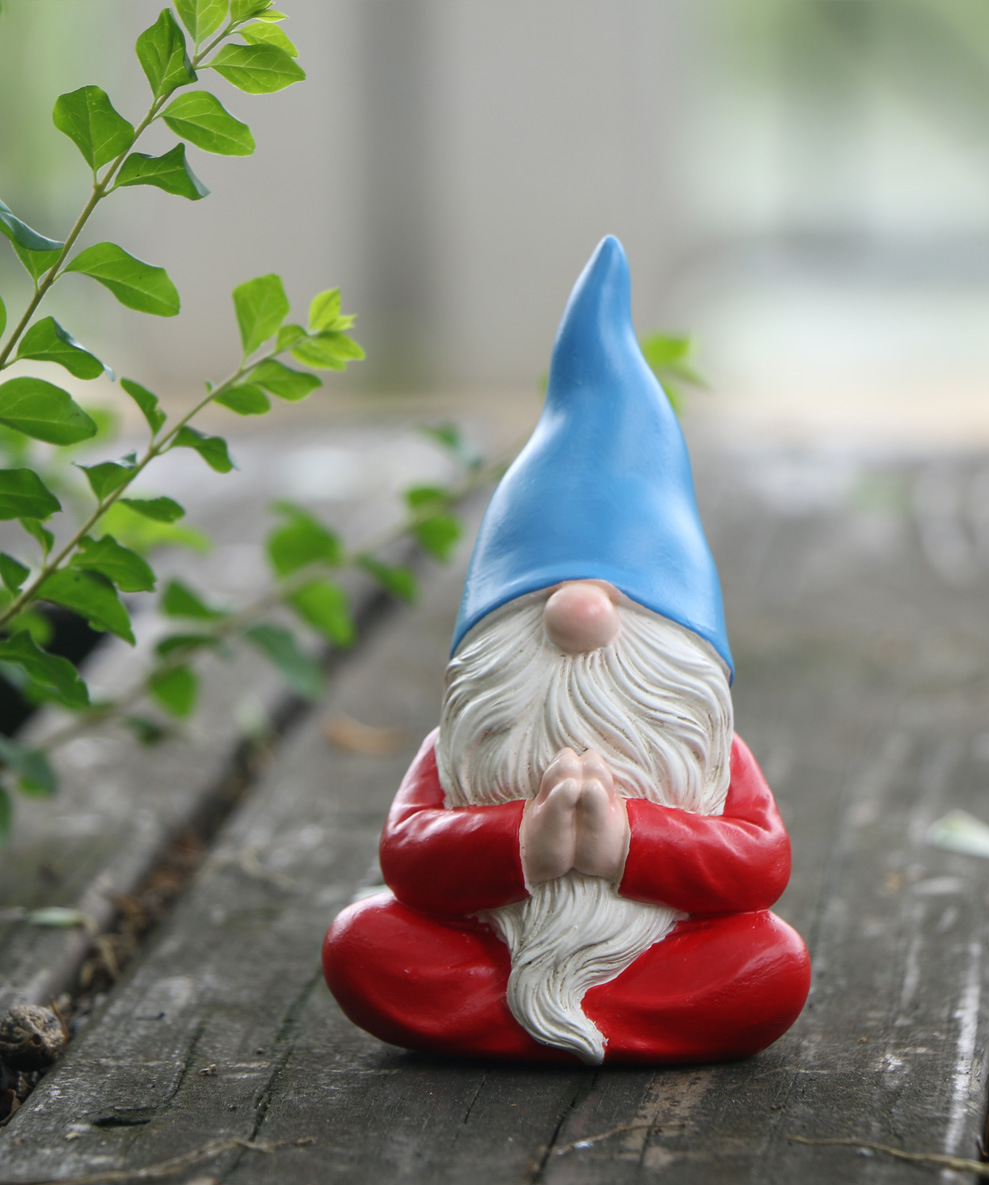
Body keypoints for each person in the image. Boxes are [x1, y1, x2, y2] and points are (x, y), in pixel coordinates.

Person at [323, 237, 810, 1064]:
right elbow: (407, 855)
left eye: (629, 606)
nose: (579, 618)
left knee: (768, 962)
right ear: (489, 639)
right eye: (535, 602)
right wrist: (522, 843)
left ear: (681, 645)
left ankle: (535, 1020)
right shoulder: (462, 748)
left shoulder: (708, 755)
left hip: (661, 961)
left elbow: (759, 863)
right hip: (485, 951)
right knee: (365, 945)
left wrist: (627, 845)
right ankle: (562, 1016)